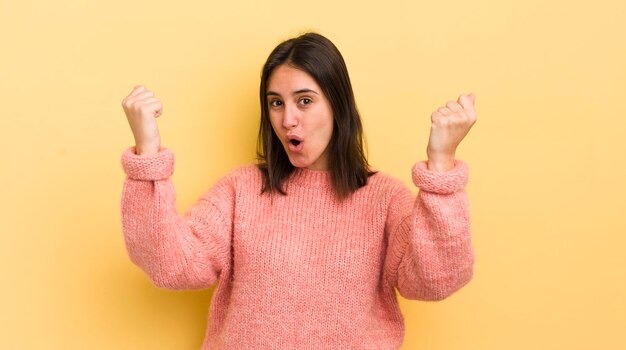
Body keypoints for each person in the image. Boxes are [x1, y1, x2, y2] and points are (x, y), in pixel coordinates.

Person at [120, 32, 477, 349]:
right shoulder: (241, 190)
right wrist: (147, 155)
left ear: (338, 106)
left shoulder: (384, 198)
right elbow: (173, 266)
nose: (287, 118)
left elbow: (434, 281)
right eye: (276, 102)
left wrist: (441, 165)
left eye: (304, 101)